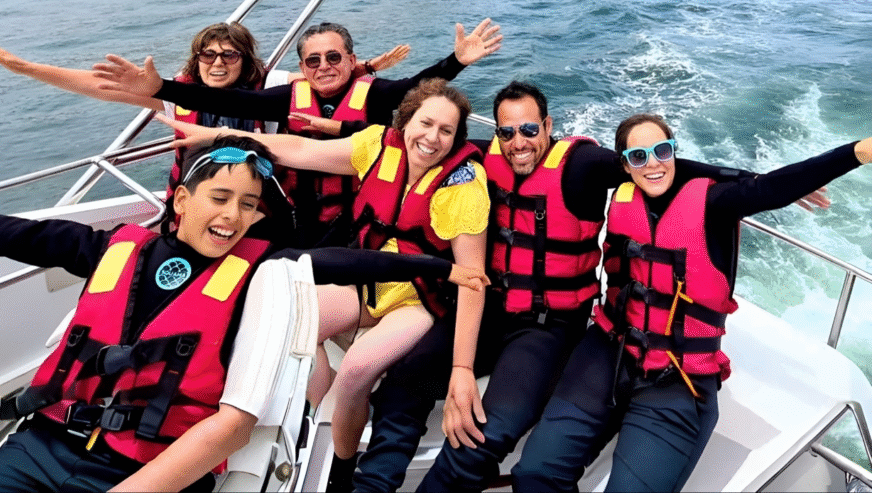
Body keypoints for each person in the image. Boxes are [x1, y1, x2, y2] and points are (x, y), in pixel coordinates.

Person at [0, 135, 487, 493]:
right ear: (182, 199)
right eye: (220, 198)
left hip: (149, 466)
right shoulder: (108, 249)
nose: (233, 216)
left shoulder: (259, 272)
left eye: (248, 206)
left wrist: (442, 270)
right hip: (40, 446)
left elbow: (344, 261)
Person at [351, 82, 830, 493]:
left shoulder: (583, 167)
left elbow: (654, 166)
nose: (519, 142)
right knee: (402, 383)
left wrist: (754, 180)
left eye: (530, 129)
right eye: (508, 131)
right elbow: (419, 135)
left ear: (548, 125)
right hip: (494, 307)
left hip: (548, 324)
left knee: (482, 432)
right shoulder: (481, 156)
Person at [156, 78, 491, 492]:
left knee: (356, 371)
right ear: (405, 122)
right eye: (426, 123)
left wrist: (462, 368)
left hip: (417, 299)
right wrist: (218, 136)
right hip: (367, 286)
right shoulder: (376, 145)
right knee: (287, 322)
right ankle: (311, 408)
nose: (432, 138)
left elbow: (474, 280)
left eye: (447, 131)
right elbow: (299, 149)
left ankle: (342, 469)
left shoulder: (463, 184)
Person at [509, 113, 872, 493]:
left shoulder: (713, 202)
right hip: (609, 352)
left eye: (661, 151)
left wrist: (856, 153)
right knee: (535, 471)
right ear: (624, 164)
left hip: (678, 373)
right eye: (638, 156)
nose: (652, 164)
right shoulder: (622, 196)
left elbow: (768, 190)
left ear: (674, 153)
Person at [96, 19, 501, 247]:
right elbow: (230, 102)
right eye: (313, 60)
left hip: (356, 221)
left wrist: (456, 61)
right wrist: (160, 89)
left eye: (334, 57)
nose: (324, 65)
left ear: (352, 60)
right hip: (297, 221)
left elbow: (417, 86)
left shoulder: (375, 95)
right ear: (303, 67)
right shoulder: (288, 97)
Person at [0, 26, 410, 203]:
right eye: (208, 55)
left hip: (258, 206)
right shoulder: (178, 96)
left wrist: (365, 68)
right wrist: (25, 68)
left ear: (246, 60)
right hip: (193, 202)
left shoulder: (272, 87)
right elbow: (97, 84)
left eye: (229, 55)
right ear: (196, 58)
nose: (217, 64)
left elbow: (327, 78)